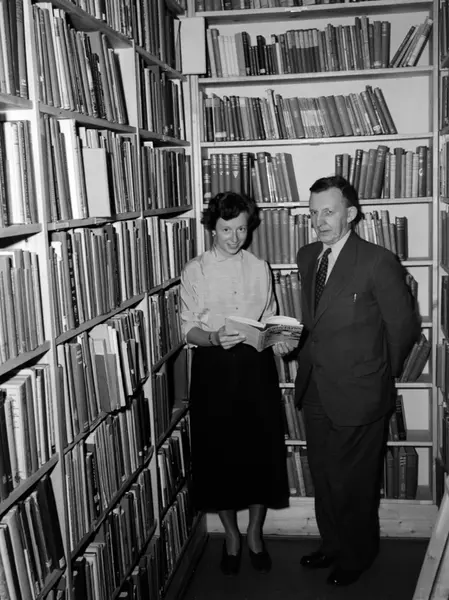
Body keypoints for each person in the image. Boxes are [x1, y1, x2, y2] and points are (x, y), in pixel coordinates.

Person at [294, 175, 420, 586]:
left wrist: (376, 372)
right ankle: (332, 544)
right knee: (324, 475)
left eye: (328, 212)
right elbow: (316, 321)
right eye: (313, 213)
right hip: (315, 386)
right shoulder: (307, 256)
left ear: (350, 213)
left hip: (360, 391)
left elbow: (402, 327)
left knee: (354, 482)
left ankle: (357, 555)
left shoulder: (378, 260)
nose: (319, 221)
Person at [180, 191, 291, 577]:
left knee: (261, 450)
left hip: (256, 367)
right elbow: (187, 328)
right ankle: (231, 535)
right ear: (213, 227)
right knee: (219, 454)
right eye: (226, 229)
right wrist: (212, 338)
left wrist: (281, 339)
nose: (234, 237)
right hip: (214, 368)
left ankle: (255, 533)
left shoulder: (260, 267)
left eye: (242, 229)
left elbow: (270, 314)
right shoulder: (196, 269)